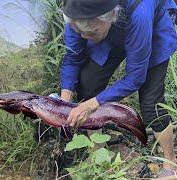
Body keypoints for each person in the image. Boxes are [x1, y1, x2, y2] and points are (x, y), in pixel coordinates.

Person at [60, 0, 177, 177]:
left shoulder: (140, 12)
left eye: (91, 31)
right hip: (107, 30)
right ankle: (99, 156)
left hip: (150, 30)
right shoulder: (78, 10)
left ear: (112, 16)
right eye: (79, 31)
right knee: (87, 85)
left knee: (151, 104)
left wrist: (93, 104)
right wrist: (64, 100)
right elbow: (72, 57)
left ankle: (171, 164)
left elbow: (135, 78)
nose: (83, 37)